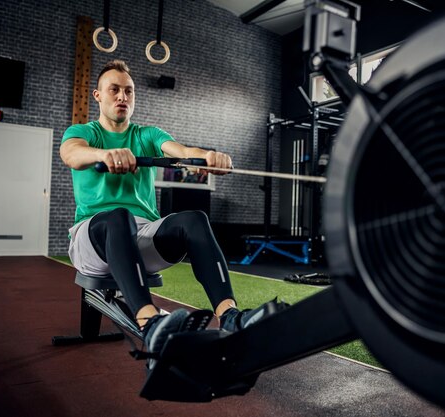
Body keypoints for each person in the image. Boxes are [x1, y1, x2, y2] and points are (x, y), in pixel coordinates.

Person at [60, 59, 283, 370]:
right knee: (118, 216)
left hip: (141, 237)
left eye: (129, 91)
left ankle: (230, 316)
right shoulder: (85, 131)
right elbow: (71, 153)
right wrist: (103, 154)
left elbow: (181, 151)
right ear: (98, 96)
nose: (122, 97)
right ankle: (150, 324)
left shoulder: (147, 134)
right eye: (114, 90)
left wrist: (207, 156)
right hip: (92, 238)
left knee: (194, 219)